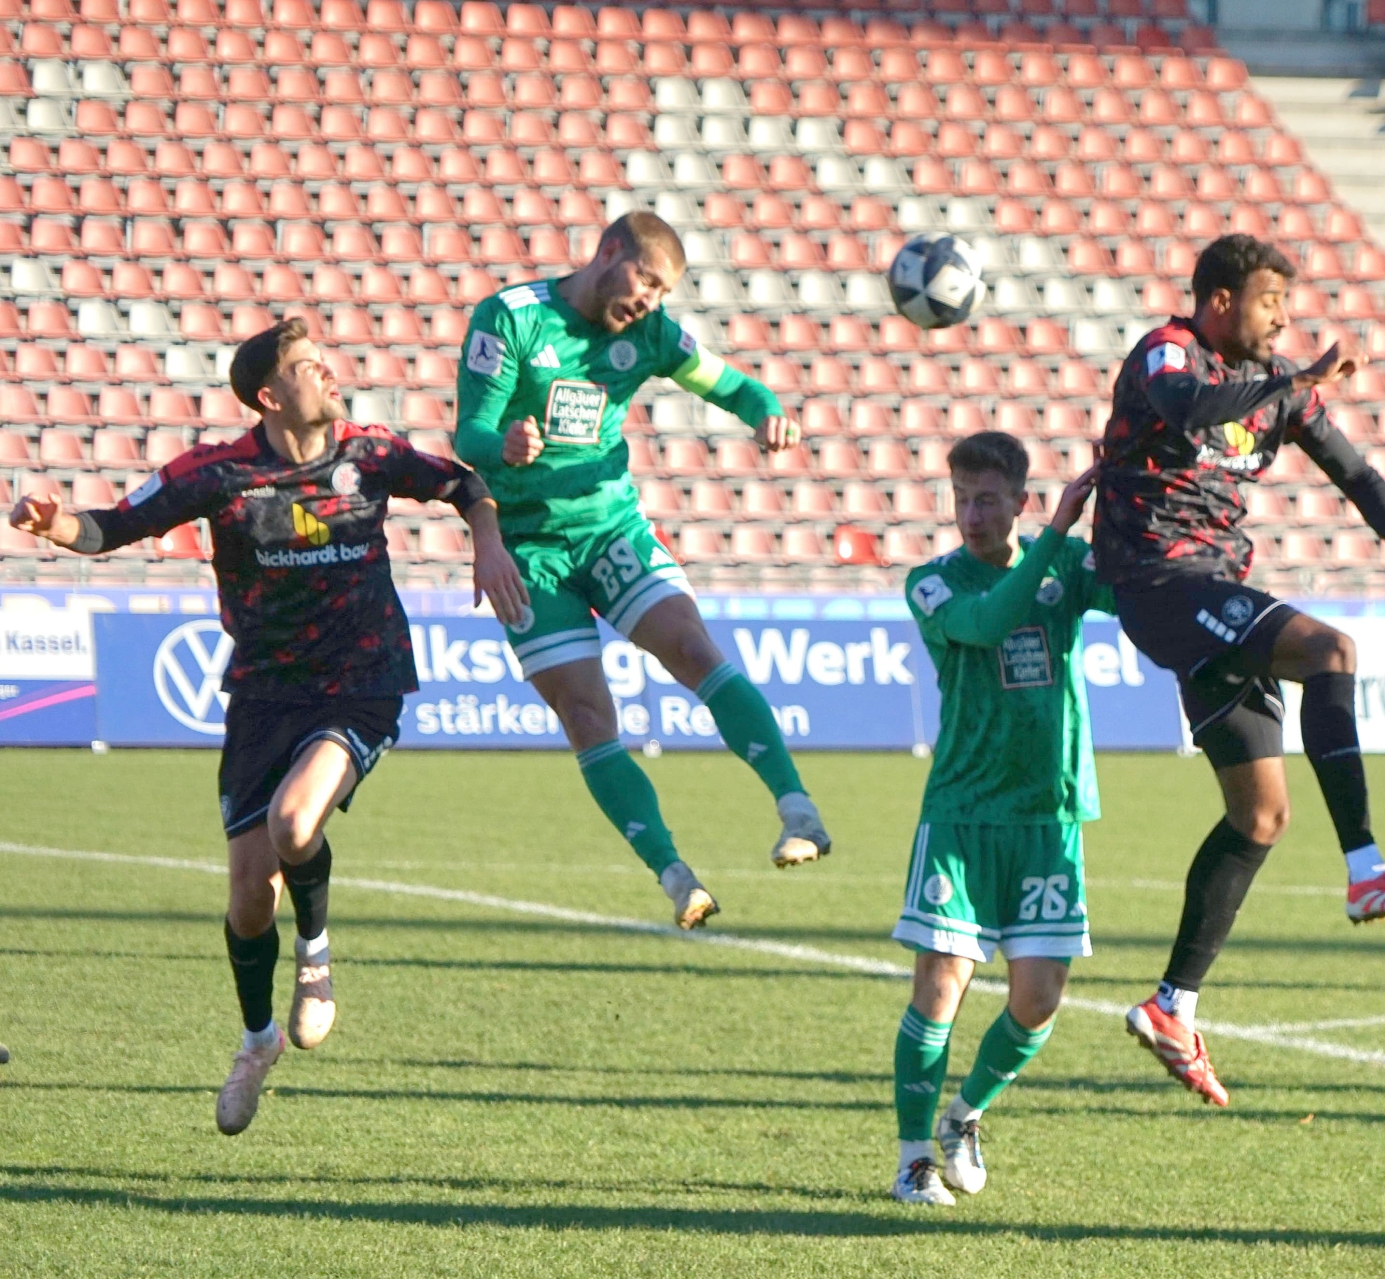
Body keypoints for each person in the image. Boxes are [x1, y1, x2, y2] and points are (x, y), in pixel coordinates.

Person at [8, 318, 527, 1135]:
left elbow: (463, 484)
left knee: (294, 821)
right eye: (307, 365)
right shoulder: (219, 474)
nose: (327, 373)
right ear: (269, 394)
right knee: (250, 900)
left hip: (361, 681)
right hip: (264, 693)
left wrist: (487, 544)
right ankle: (257, 1041)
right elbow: (111, 527)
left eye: (322, 360)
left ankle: (315, 956)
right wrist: (53, 523)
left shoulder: (370, 453)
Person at [1094, 233, 1385, 1106]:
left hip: (1213, 585)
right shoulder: (1168, 351)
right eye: (1270, 303)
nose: (1283, 320)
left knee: (1259, 815)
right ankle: (1367, 869)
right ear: (1221, 301)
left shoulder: (1276, 384)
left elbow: (1354, 471)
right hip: (1159, 579)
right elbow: (1187, 407)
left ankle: (1172, 1005)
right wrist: (1300, 378)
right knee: (1332, 651)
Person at [455, 210, 828, 930]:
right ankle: (676, 876)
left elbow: (735, 386)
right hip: (529, 549)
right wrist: (503, 444)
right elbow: (468, 433)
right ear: (608, 252)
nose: (649, 301)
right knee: (586, 715)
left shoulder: (651, 334)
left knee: (692, 646)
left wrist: (768, 413)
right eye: (646, 281)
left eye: (662, 292)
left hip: (610, 528)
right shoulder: (512, 317)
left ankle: (798, 809)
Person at [889, 436, 1106, 1205]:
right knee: (940, 985)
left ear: (1020, 499)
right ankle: (914, 1157)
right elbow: (986, 622)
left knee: (1039, 997)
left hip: (1049, 813)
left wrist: (1129, 503)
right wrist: (1056, 535)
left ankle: (964, 1113)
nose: (972, 515)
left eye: (987, 499)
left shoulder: (1066, 567)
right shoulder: (932, 583)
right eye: (961, 499)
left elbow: (1138, 594)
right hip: (963, 813)